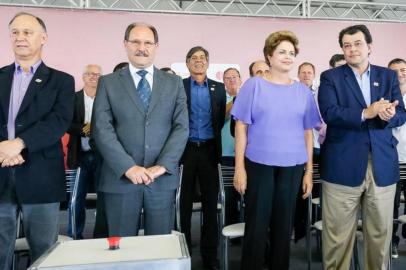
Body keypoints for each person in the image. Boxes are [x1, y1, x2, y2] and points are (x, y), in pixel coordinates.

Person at [318, 24, 406, 270]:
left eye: (357, 44)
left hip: (382, 166)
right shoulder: (330, 77)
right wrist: (367, 112)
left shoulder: (387, 76)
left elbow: (401, 113)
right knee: (338, 238)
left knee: (379, 236)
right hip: (342, 166)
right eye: (347, 45)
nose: (352, 49)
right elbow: (330, 113)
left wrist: (389, 115)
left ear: (369, 47)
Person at [232, 30, 321, 270]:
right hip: (259, 164)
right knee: (256, 226)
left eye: (291, 53)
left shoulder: (303, 91)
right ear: (269, 55)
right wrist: (239, 168)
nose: (287, 57)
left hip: (292, 167)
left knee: (284, 228)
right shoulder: (254, 85)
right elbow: (241, 127)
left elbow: (307, 132)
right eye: (282, 52)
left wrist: (308, 171)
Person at [92, 22, 189, 237]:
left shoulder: (174, 83)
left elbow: (181, 128)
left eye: (147, 42)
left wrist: (162, 166)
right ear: (125, 44)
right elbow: (101, 129)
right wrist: (128, 167)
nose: (141, 47)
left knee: (159, 247)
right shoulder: (108, 83)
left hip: (161, 180)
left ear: (156, 46)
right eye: (135, 41)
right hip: (121, 179)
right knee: (121, 249)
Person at [0, 12, 75, 269]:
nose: (20, 37)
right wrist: (2, 150)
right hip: (0, 174)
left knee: (44, 252)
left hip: (40, 176)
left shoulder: (62, 81)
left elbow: (58, 122)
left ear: (43, 38)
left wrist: (18, 144)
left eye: (27, 32)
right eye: (15, 32)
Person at [180, 46, 226, 270]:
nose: (198, 61)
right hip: (185, 151)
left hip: (209, 151)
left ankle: (210, 256)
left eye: (202, 58)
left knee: (210, 206)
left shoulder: (219, 89)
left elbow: (219, 120)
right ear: (187, 63)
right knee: (184, 205)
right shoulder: (179, 87)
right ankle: (183, 253)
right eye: (194, 58)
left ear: (208, 63)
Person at [66, 64, 103, 239]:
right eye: (90, 74)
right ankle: (74, 235)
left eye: (97, 74)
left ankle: (102, 235)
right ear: (83, 77)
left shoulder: (106, 98)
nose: (93, 77)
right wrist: (84, 129)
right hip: (79, 155)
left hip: (102, 156)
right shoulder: (72, 98)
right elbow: (65, 123)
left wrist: (93, 128)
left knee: (104, 199)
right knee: (76, 199)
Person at [388, 57, 406, 258]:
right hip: (392, 159)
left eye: (403, 70)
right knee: (390, 205)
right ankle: (391, 242)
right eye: (395, 71)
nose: (400, 74)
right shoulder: (384, 97)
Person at [221, 68, 242, 227]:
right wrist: (236, 100)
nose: (232, 80)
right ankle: (230, 231)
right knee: (229, 197)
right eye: (227, 78)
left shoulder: (248, 97)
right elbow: (221, 115)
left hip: (246, 156)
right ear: (223, 82)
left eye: (234, 77)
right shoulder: (220, 99)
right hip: (226, 155)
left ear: (241, 79)